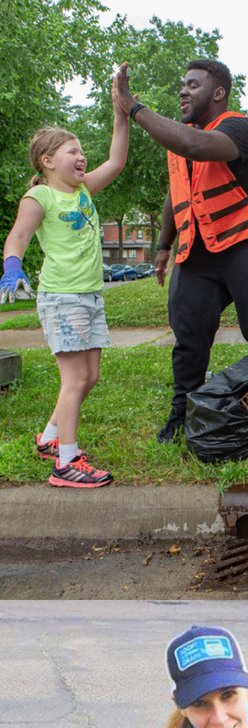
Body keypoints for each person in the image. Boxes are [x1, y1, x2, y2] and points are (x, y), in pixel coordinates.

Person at [114, 59, 248, 444]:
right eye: (182, 85)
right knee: (188, 335)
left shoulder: (238, 127)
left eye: (193, 85)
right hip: (197, 252)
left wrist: (134, 108)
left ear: (218, 93)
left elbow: (194, 146)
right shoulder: (181, 136)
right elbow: (177, 191)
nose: (183, 91)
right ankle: (181, 412)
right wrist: (164, 245)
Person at [0, 68, 129, 488]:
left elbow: (117, 160)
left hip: (89, 296)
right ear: (47, 161)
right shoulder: (41, 195)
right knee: (74, 379)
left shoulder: (84, 190)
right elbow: (18, 235)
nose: (81, 157)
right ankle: (66, 463)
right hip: (62, 296)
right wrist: (12, 267)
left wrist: (121, 113)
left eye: (81, 151)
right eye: (72, 151)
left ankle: (51, 437)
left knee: (90, 376)